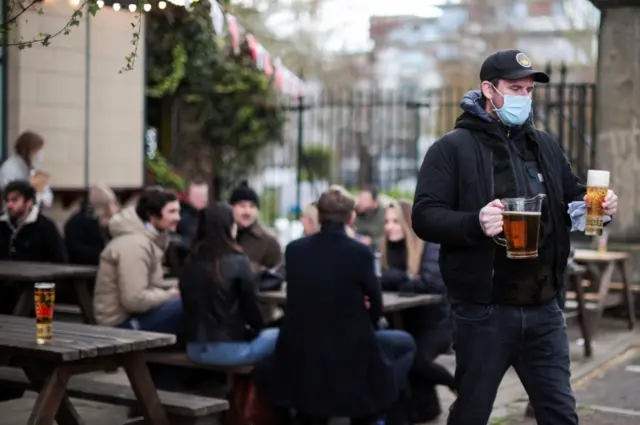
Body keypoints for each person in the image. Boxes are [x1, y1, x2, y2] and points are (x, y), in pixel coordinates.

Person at [411, 49, 619, 425]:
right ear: (489, 90)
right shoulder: (451, 148)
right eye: (515, 88)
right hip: (484, 311)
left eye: (528, 90)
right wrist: (474, 221)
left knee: (560, 413)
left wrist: (599, 211)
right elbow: (425, 217)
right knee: (472, 412)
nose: (524, 97)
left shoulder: (544, 145)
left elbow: (574, 198)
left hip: (544, 308)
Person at [263, 187, 416, 425]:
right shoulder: (360, 253)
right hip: (351, 349)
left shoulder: (294, 251)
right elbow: (376, 305)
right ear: (352, 217)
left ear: (320, 216)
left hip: (301, 350)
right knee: (405, 345)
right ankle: (377, 415)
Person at [380, 199, 455, 423]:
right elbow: (381, 281)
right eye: (386, 221)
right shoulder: (387, 249)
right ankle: (427, 408)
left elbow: (433, 283)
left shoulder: (430, 245)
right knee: (400, 356)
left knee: (416, 359)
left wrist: (400, 279)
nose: (389, 226)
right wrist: (405, 280)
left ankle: (456, 384)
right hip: (404, 320)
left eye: (395, 221)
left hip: (438, 321)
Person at [180, 202, 278, 366]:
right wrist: (261, 328)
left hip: (194, 348)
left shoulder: (190, 260)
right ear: (229, 227)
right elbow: (251, 310)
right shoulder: (238, 261)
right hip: (227, 349)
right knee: (281, 334)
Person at [93, 187, 182, 335]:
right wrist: (172, 294)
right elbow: (134, 300)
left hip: (135, 316)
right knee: (187, 305)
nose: (178, 217)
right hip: (120, 326)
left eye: (178, 211)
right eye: (172, 212)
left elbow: (149, 287)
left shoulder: (148, 240)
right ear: (152, 216)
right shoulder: (135, 245)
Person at [0, 180, 67, 315]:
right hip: (6, 287)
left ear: (29, 202)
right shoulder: (2, 225)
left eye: (15, 200)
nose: (9, 205)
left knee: (41, 323)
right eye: (7, 200)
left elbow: (60, 260)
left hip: (41, 288)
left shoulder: (45, 227)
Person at [229, 180, 282, 274]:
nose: (247, 211)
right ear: (231, 207)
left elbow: (278, 275)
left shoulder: (268, 241)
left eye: (252, 207)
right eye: (242, 206)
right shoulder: (222, 236)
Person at [64, 183, 120, 265]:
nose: (109, 210)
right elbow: (75, 250)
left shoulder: (106, 223)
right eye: (106, 206)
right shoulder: (77, 222)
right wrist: (104, 256)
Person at [0, 131, 53, 207]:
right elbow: (10, 196)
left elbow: (47, 197)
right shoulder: (9, 168)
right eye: (36, 150)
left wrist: (40, 192)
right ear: (26, 150)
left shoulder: (33, 169)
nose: (39, 154)